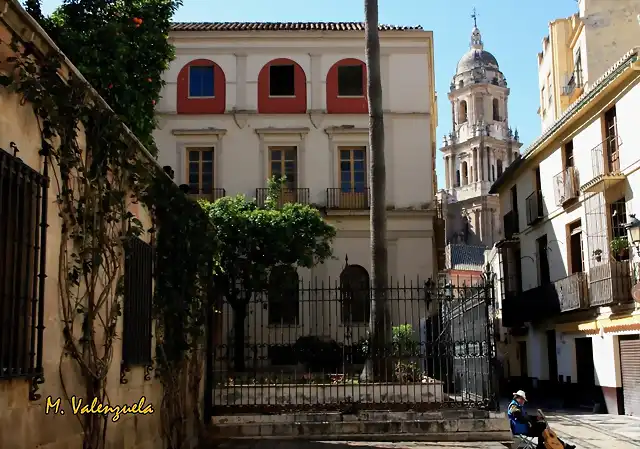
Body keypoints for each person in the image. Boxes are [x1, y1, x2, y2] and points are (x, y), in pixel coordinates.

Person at [508, 390, 576, 449]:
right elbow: (518, 415)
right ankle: (557, 445)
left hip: (523, 427)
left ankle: (556, 445)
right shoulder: (514, 406)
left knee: (543, 428)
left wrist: (536, 418)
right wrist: (530, 422)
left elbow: (525, 416)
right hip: (522, 429)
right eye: (523, 400)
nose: (523, 402)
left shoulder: (517, 405)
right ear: (519, 398)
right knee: (543, 428)